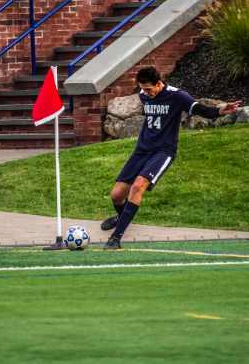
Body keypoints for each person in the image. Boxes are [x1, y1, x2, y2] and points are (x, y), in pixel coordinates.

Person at [101, 66, 241, 250]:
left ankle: (116, 238)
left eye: (148, 89)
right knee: (116, 196)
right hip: (142, 150)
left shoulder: (177, 96)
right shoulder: (144, 95)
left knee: (137, 187)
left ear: (159, 83)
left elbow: (200, 109)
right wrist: (145, 92)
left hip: (163, 152)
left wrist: (220, 111)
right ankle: (123, 216)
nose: (145, 93)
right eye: (142, 89)